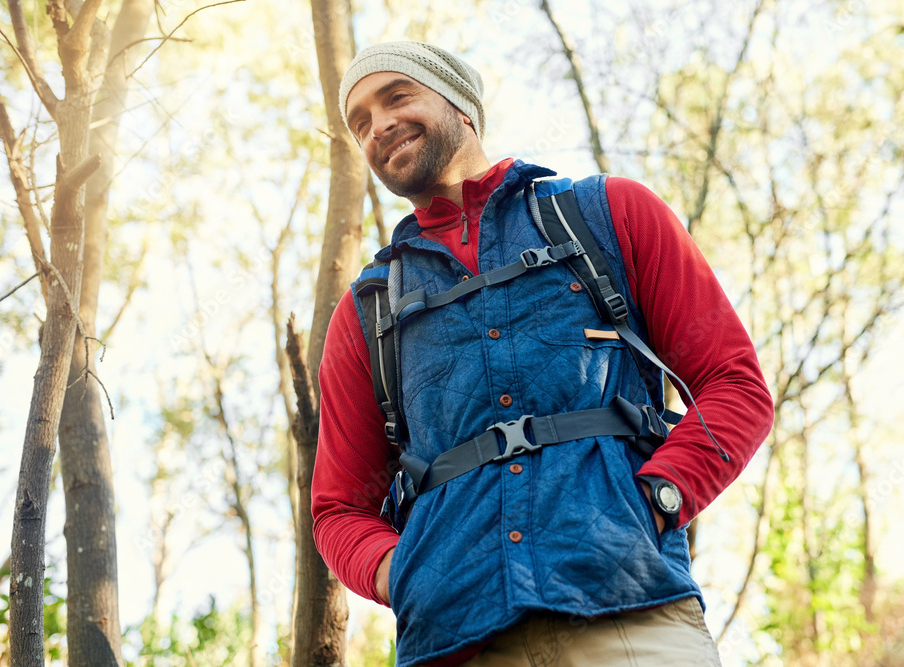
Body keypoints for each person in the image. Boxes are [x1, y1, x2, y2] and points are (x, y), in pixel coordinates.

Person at [312, 41, 774, 667]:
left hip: (630, 613)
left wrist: (659, 500)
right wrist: (406, 575)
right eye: (361, 122)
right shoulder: (366, 311)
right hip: (453, 641)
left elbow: (734, 384)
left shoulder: (607, 214)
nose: (379, 125)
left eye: (397, 96)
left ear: (462, 108)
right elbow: (338, 507)